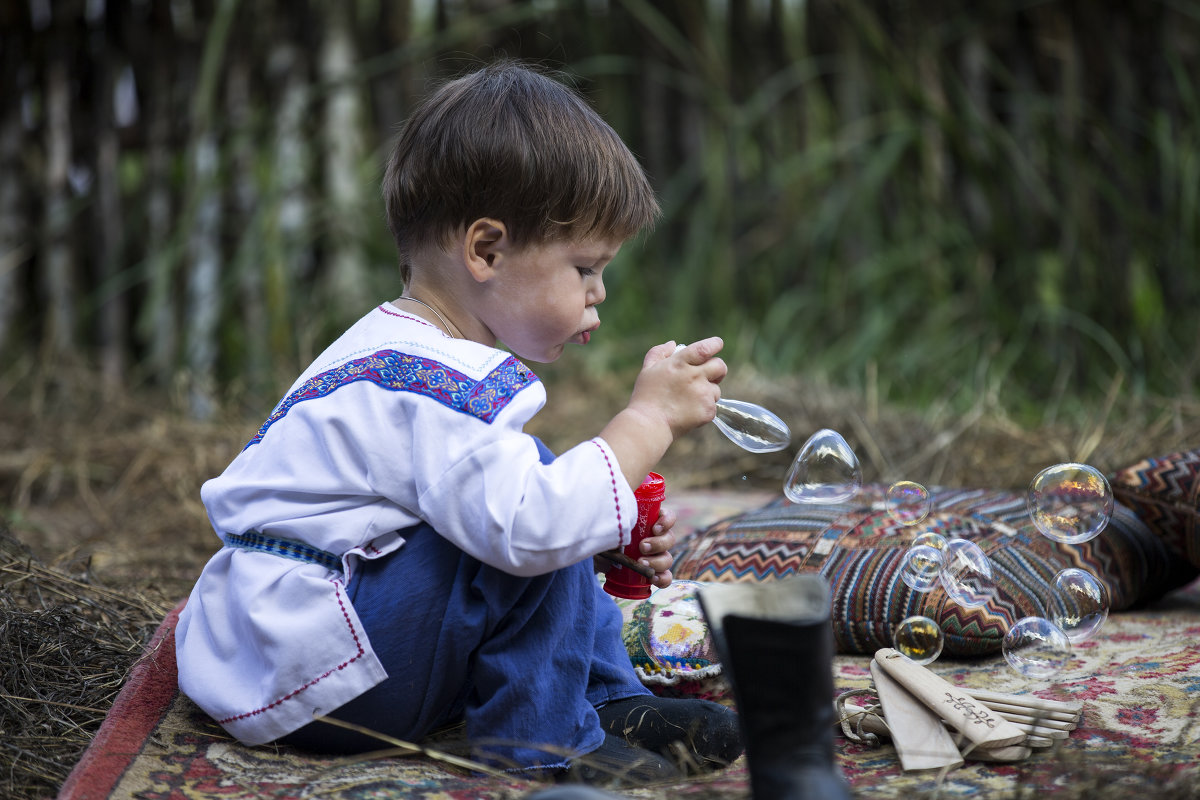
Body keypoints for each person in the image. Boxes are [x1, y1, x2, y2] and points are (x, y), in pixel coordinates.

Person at [175, 60, 742, 787]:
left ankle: (606, 700)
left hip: (270, 652)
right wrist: (646, 419)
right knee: (534, 511)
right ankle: (549, 744)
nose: (599, 297)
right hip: (324, 677)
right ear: (486, 250)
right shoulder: (442, 386)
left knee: (536, 482)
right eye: (585, 269)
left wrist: (598, 536)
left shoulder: (385, 350)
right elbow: (531, 532)